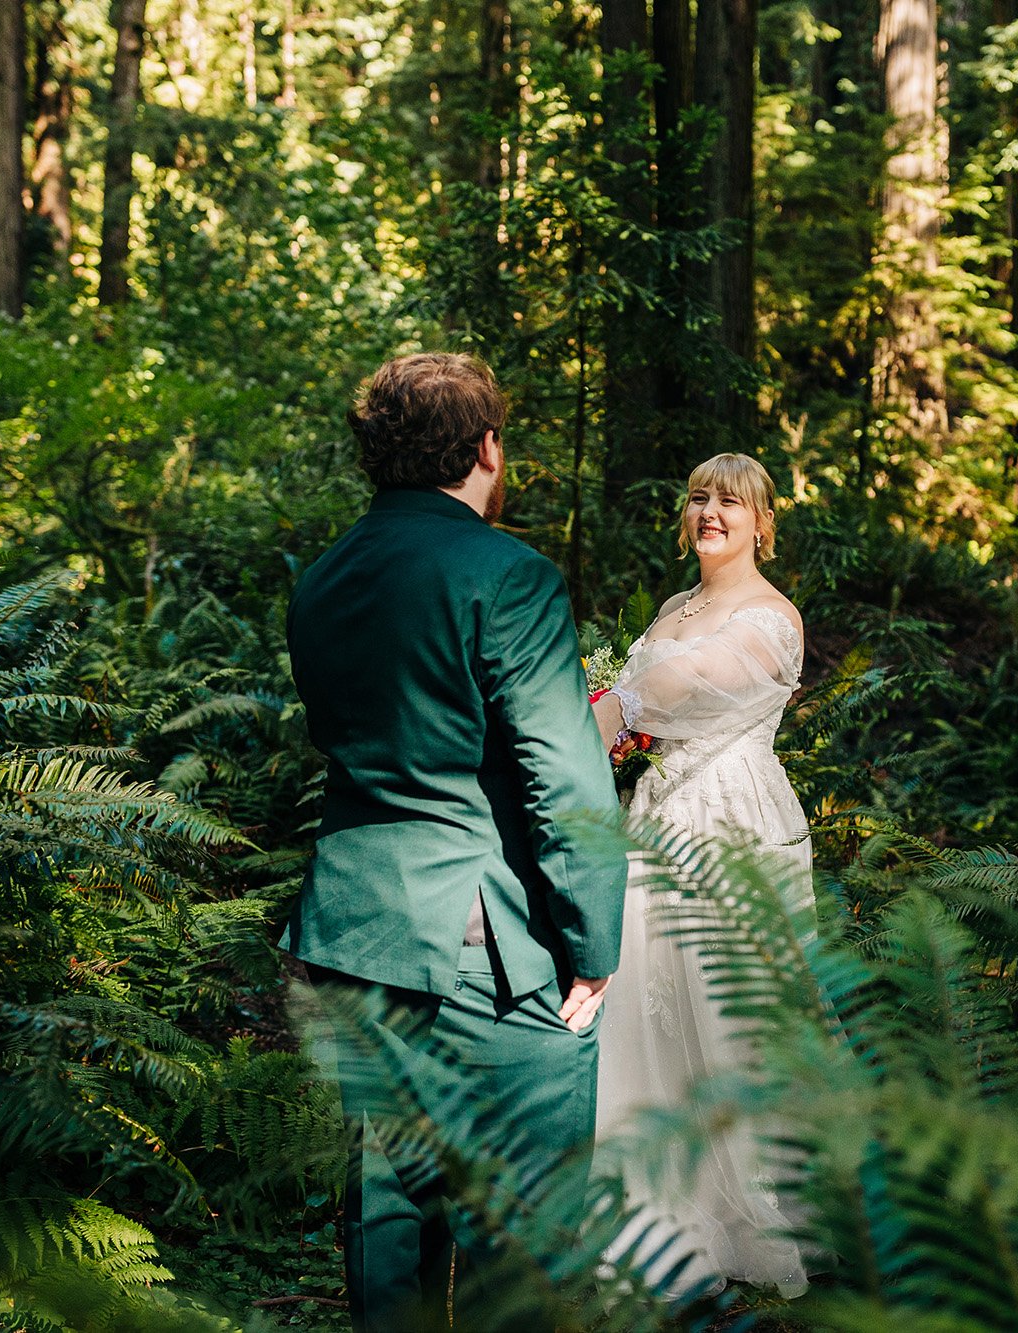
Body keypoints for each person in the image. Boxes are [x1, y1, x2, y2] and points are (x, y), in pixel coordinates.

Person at [284, 352, 628, 1332]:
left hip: (354, 931)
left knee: (387, 1207)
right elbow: (566, 780)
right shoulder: (506, 574)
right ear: (486, 448)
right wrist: (593, 944)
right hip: (484, 947)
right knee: (523, 1232)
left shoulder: (323, 578)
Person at [590, 451, 813, 1296]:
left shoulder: (773, 616)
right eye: (697, 498)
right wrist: (615, 728)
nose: (710, 512)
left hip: (730, 819)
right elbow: (651, 698)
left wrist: (605, 711)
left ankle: (746, 1211)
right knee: (644, 996)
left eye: (730, 501)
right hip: (654, 817)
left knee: (726, 1010)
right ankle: (646, 1197)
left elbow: (691, 682)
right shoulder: (673, 606)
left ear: (762, 522)